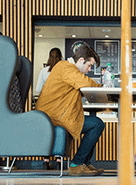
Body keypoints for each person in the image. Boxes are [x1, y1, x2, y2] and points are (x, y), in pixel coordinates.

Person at [35, 43, 105, 176]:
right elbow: (85, 82)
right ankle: (76, 164)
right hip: (54, 117)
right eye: (89, 65)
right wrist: (100, 86)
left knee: (96, 123)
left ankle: (83, 163)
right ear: (80, 60)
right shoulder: (66, 67)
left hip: (56, 115)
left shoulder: (66, 68)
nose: (89, 69)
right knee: (97, 124)